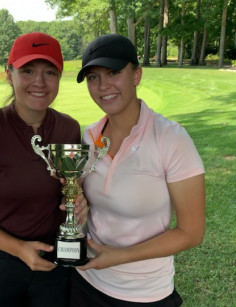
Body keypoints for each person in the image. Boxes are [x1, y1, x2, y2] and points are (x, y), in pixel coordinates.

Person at [0, 32, 88, 307]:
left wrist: (78, 200)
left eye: (50, 72)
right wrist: (19, 249)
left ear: (60, 78)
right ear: (9, 74)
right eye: (28, 70)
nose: (39, 82)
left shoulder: (68, 128)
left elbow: (70, 186)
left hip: (53, 262)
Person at [70, 34, 206, 306]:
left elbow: (191, 233)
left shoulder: (171, 138)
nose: (103, 85)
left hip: (145, 294)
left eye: (114, 72)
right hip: (85, 283)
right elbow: (85, 200)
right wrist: (76, 200)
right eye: (93, 77)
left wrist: (118, 256)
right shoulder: (89, 137)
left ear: (136, 75)